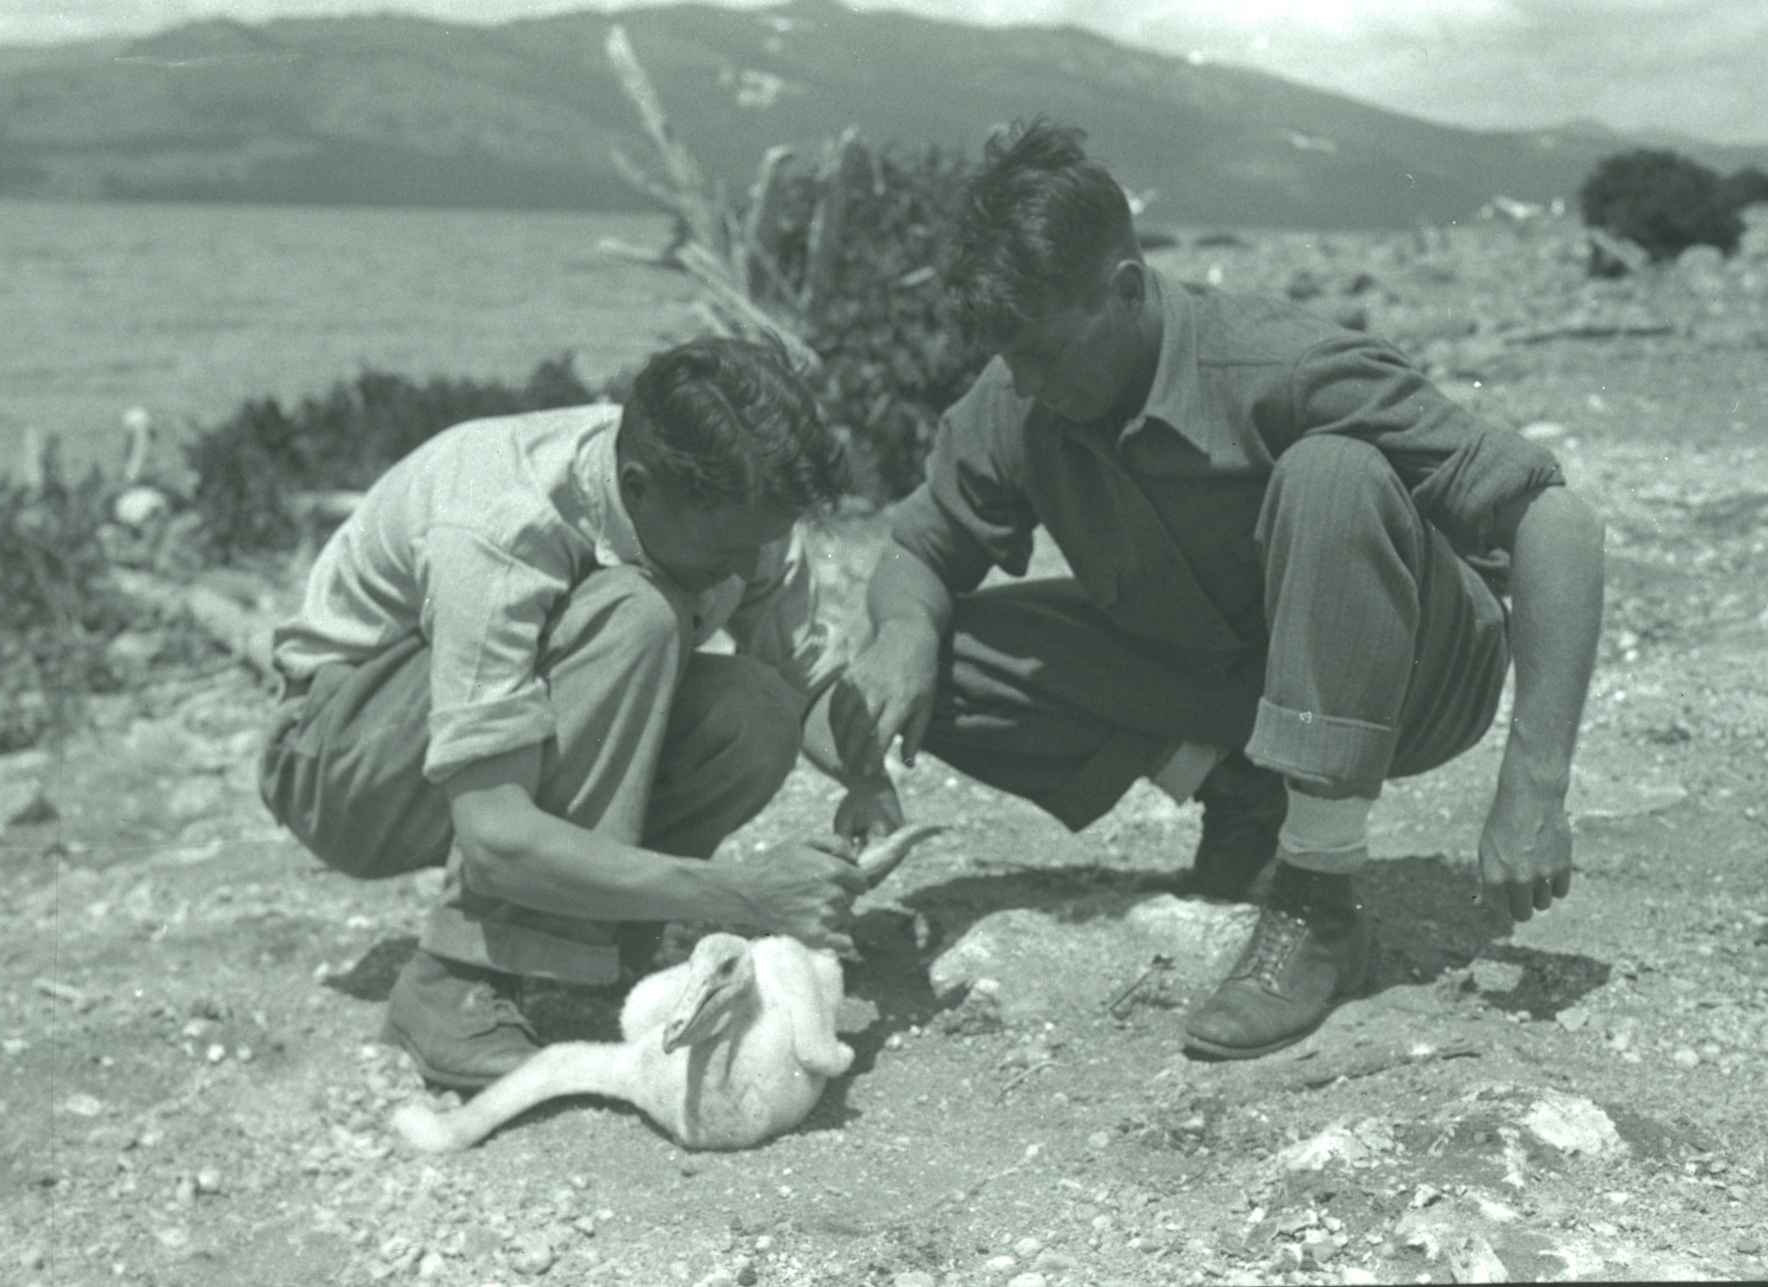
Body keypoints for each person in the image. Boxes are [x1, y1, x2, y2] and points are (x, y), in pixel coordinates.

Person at [844, 120, 1605, 1060]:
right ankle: (1241, 790)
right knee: (943, 659)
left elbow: (1554, 519)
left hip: (1418, 677)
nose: (1026, 384)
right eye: (1011, 359)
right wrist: (901, 632)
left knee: (1330, 474)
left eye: (1044, 353)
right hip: (1237, 681)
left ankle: (1317, 900)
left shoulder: (1278, 365)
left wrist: (1533, 784)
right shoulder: (1021, 395)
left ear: (1126, 290)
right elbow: (919, 547)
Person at [259, 335, 902, 1090]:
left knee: (753, 713)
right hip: (339, 763)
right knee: (639, 614)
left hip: (461, 752)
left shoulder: (741, 510)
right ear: (637, 487)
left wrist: (868, 779)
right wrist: (743, 892)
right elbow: (493, 835)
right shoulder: (501, 520)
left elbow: (803, 684)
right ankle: (452, 983)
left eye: (758, 545)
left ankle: (590, 943)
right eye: (724, 550)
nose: (745, 568)